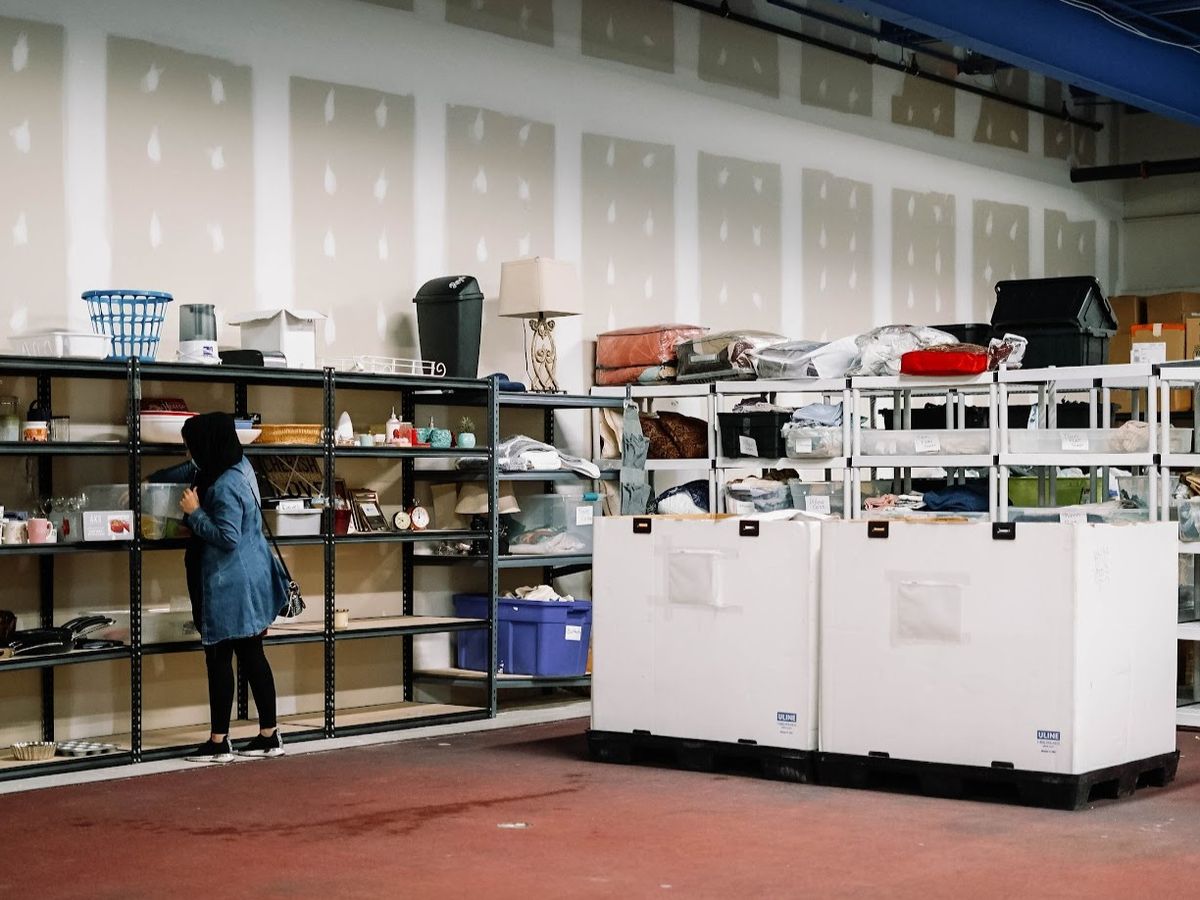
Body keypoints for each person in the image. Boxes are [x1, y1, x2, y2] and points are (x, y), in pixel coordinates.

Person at [149, 412, 288, 762]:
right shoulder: (239, 465)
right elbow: (189, 470)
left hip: (230, 585)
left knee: (219, 658)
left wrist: (195, 512)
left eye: (190, 447)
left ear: (206, 446)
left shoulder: (224, 485)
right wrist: (151, 482)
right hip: (249, 578)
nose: (188, 454)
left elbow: (227, 537)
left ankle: (218, 742)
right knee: (252, 655)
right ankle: (269, 736)